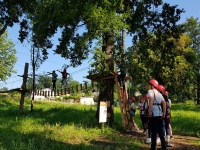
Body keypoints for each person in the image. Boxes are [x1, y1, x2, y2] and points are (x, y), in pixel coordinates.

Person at [148, 79, 167, 150]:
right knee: (160, 131)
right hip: (159, 114)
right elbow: (164, 102)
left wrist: (150, 111)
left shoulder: (150, 91)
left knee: (154, 131)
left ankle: (153, 147)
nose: (148, 86)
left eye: (149, 84)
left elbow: (151, 99)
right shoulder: (159, 93)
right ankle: (164, 146)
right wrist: (164, 112)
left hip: (154, 114)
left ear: (152, 85)